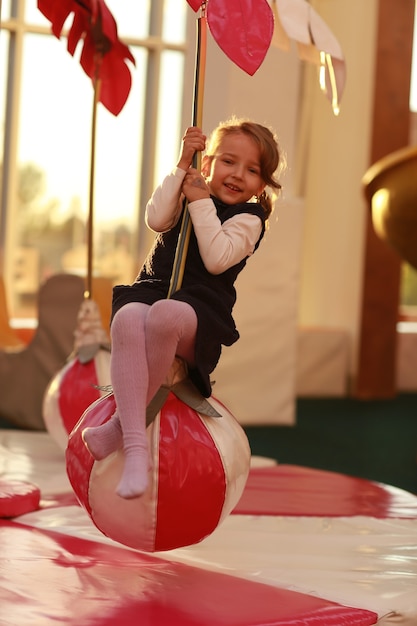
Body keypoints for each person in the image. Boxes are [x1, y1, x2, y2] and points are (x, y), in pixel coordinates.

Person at [82, 117, 283, 499]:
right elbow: (156, 219)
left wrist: (201, 202)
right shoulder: (189, 186)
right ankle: (134, 445)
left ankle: (127, 432)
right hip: (156, 285)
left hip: (199, 309)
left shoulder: (249, 220)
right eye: (228, 161)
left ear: (263, 183)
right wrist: (180, 165)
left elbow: (216, 259)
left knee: (163, 316)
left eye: (252, 170)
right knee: (127, 317)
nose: (237, 174)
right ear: (208, 163)